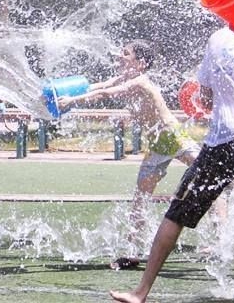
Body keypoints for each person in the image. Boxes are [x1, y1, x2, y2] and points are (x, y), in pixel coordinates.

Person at [109, 27, 234, 303]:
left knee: (176, 214)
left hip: (222, 141)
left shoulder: (216, 39)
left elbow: (204, 98)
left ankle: (140, 292)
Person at [58, 41, 200, 266]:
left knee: (210, 173)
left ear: (141, 63)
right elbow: (99, 86)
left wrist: (72, 101)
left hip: (171, 136)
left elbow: (104, 94)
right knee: (140, 198)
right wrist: (65, 91)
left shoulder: (140, 81)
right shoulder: (124, 78)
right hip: (156, 145)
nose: (120, 56)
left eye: (126, 54)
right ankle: (134, 249)